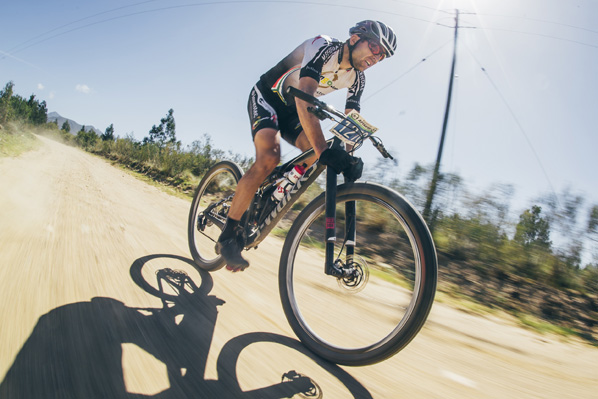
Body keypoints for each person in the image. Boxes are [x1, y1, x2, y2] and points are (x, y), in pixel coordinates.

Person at [216, 20, 398, 272]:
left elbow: (351, 122)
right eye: (376, 48)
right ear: (356, 38)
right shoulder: (323, 46)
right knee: (270, 158)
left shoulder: (358, 79)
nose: (377, 58)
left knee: (313, 155)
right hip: (268, 98)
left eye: (383, 56)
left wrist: (350, 159)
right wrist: (325, 151)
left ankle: (271, 193)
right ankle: (228, 235)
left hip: (294, 112)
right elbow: (306, 98)